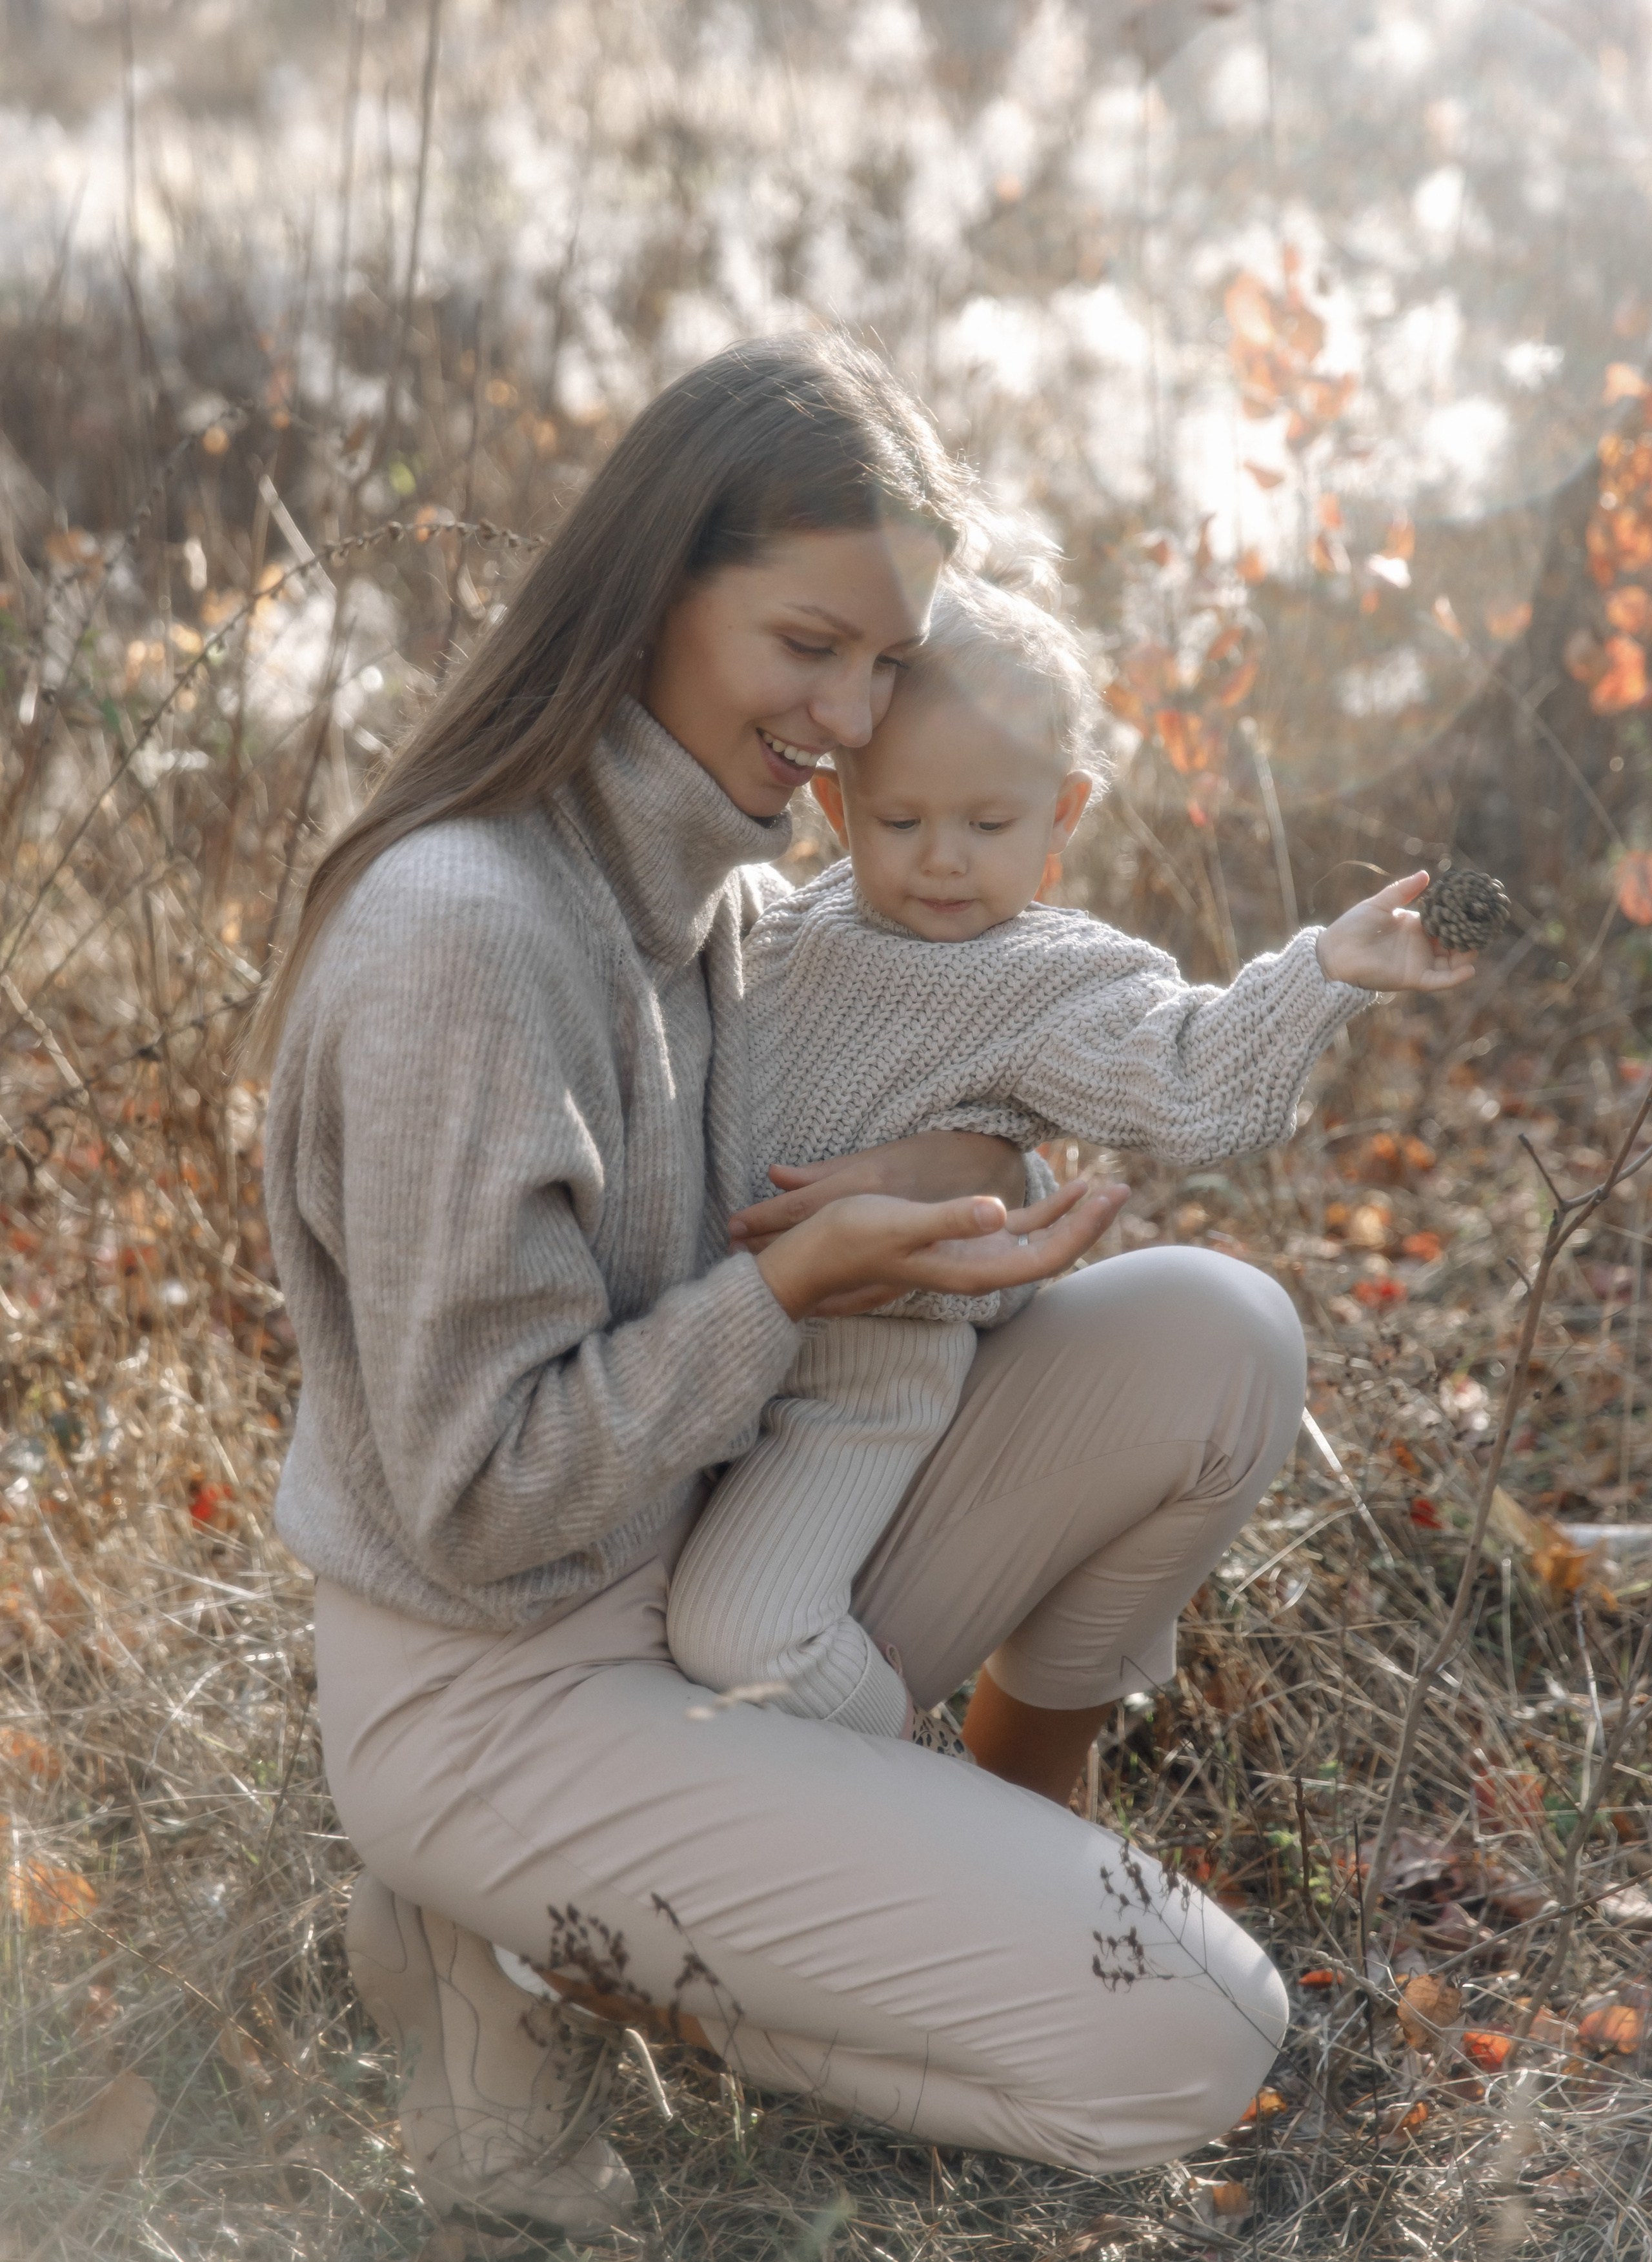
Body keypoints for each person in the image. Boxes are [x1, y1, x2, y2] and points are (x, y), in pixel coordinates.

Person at [254, 334, 1470, 2243]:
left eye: (885, 664)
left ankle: (930, 1839)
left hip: (717, 1559)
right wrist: (805, 1274)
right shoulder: (464, 945)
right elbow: (477, 1500)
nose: (849, 716)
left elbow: (926, 1078)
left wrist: (960, 1171)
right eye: (809, 645)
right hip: (506, 1687)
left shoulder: (736, 891)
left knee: (1217, 1332)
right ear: (657, 585)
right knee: (1190, 2041)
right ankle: (523, 1935)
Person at [665, 571, 1471, 1744]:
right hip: (700, 1347)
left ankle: (918, 1787)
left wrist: (1320, 975)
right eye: (901, 821)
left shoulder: (1051, 976)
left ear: (1063, 819)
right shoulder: (789, 926)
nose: (942, 859)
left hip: (858, 1383)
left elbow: (1192, 1081)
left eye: (990, 824)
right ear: (839, 812)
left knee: (741, 1641)